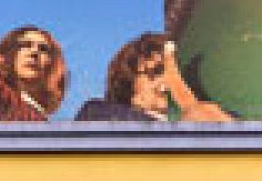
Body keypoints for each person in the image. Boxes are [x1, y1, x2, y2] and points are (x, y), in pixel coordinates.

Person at [75, 32, 235, 122]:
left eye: (169, 73)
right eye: (156, 72)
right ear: (129, 86)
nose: (166, 81)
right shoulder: (98, 114)